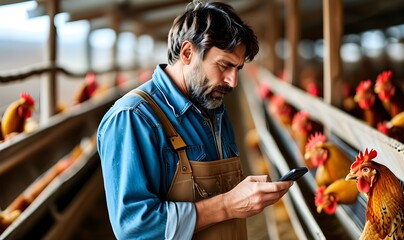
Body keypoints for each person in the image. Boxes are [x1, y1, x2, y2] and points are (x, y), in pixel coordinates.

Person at [97, 0, 293, 239]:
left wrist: (249, 192)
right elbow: (135, 227)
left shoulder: (214, 108)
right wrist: (227, 205)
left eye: (238, 69)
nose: (233, 81)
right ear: (188, 52)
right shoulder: (134, 118)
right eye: (224, 65)